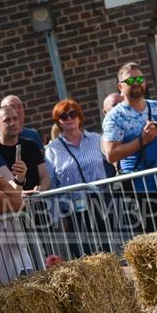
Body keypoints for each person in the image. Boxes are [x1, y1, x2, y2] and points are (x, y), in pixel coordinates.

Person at [102, 62, 157, 233]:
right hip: (141, 190)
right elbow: (111, 154)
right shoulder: (115, 116)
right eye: (130, 81)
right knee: (156, 241)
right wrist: (142, 140)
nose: (136, 83)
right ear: (121, 86)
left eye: (139, 79)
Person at [45, 99, 112, 256]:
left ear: (80, 117)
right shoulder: (52, 150)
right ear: (58, 122)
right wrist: (57, 216)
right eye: (64, 116)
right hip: (72, 211)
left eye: (73, 114)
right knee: (85, 257)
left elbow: (112, 162)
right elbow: (51, 185)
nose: (69, 118)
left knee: (109, 253)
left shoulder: (97, 139)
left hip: (101, 204)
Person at [0, 105, 49, 193]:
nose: (12, 123)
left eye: (15, 118)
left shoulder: (31, 145)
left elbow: (45, 176)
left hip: (38, 202)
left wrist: (41, 189)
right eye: (7, 120)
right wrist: (19, 193)